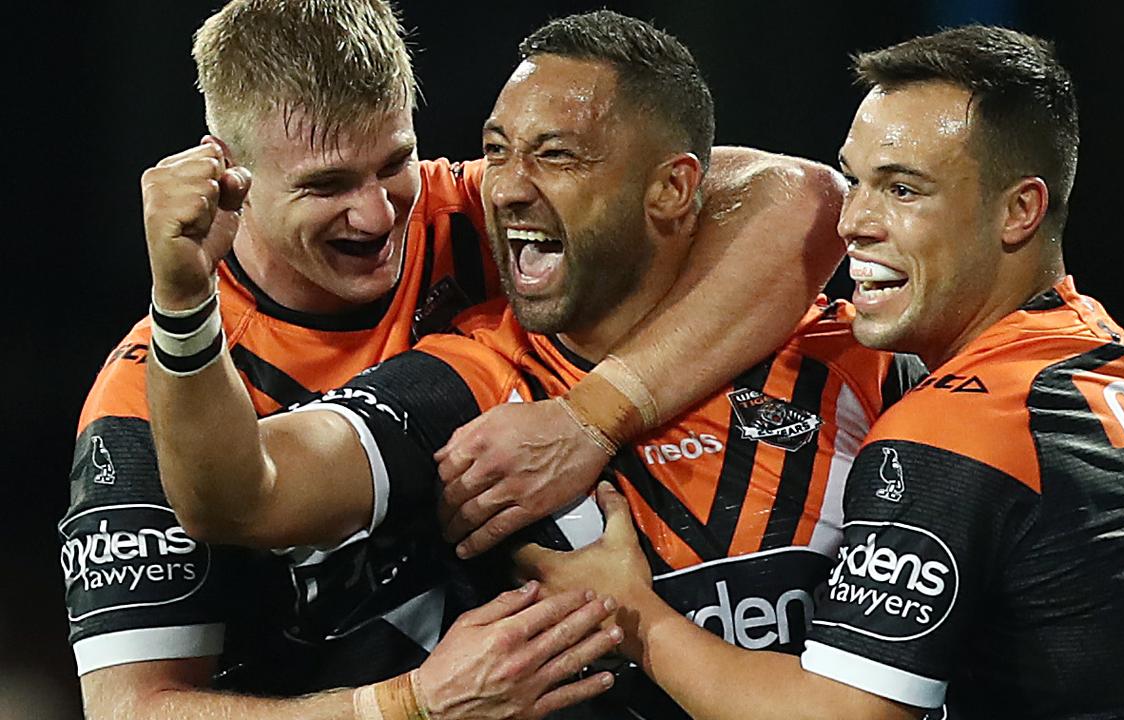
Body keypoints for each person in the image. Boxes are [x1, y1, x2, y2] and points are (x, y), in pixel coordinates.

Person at [62, 2, 852, 718]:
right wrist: (406, 707)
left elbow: (806, 200)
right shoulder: (145, 396)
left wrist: (594, 416)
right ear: (230, 172)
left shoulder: (467, 216)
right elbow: (133, 711)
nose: (376, 216)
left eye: (391, 165)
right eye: (327, 185)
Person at [521, 24, 1124, 720]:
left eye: (902, 190)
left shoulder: (959, 426)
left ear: (1019, 210)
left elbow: (839, 714)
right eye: (856, 180)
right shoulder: (1109, 349)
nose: (852, 221)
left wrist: (635, 613)